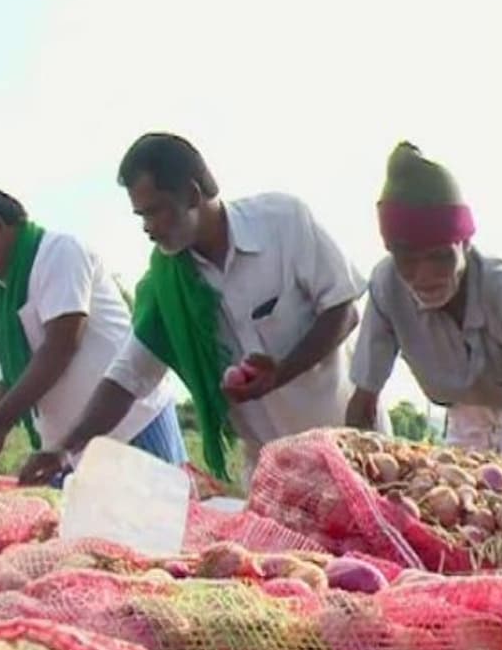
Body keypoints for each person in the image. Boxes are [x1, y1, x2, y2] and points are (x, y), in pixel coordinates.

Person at [20, 132, 380, 488]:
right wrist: (65, 448)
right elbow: (127, 377)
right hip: (276, 478)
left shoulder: (283, 222)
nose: (148, 227)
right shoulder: (168, 285)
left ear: (192, 194)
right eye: (140, 215)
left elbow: (343, 310)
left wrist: (281, 372)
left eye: (156, 211)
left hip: (353, 451)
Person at [0, 184, 186, 484]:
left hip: (133, 424)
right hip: (69, 447)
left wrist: (0, 422)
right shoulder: (5, 293)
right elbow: (12, 375)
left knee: (157, 521)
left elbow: (62, 345)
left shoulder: (59, 252)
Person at [347, 142, 502, 457]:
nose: (425, 276)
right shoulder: (387, 286)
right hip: (461, 427)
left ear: (466, 243)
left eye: (440, 257)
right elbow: (362, 403)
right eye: (407, 259)